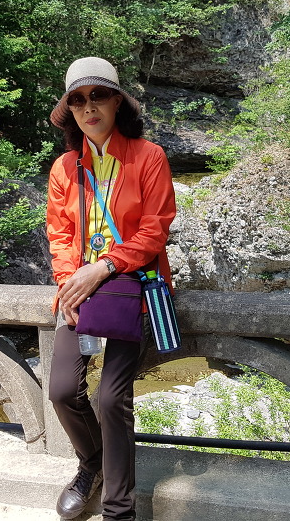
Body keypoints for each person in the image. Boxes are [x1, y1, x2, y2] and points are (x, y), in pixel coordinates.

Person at [45, 57, 176, 521]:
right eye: (78, 99)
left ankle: (119, 510)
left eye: (98, 95)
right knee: (62, 391)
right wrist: (69, 283)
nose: (89, 107)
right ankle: (92, 465)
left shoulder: (148, 157)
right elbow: (60, 234)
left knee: (111, 397)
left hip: (129, 286)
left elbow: (155, 230)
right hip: (80, 289)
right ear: (70, 110)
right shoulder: (65, 167)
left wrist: (101, 267)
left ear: (117, 101)